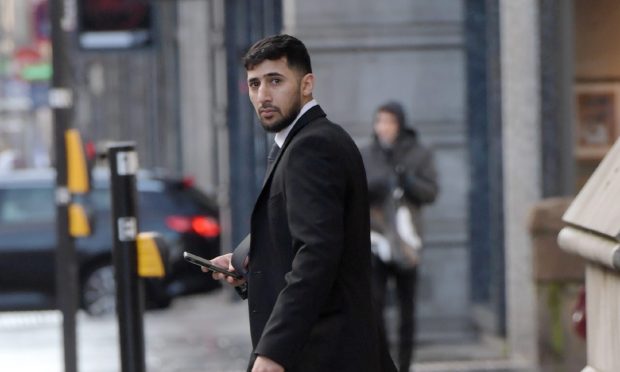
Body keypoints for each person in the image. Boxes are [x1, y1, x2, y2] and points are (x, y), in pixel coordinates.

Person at [205, 34, 397, 372]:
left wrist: (274, 350)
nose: (263, 95)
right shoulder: (301, 143)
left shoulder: (312, 147)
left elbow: (317, 254)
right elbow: (301, 237)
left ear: (307, 84)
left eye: (275, 81)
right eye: (254, 84)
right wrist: (248, 261)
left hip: (323, 352)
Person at [360, 101, 438, 372]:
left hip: (407, 243)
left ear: (400, 125)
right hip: (375, 240)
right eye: (379, 121)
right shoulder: (366, 154)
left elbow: (431, 192)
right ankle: (381, 363)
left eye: (390, 122)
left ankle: (404, 366)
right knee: (374, 305)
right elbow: (351, 194)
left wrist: (409, 182)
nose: (384, 127)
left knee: (407, 309)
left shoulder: (418, 153)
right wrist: (373, 190)